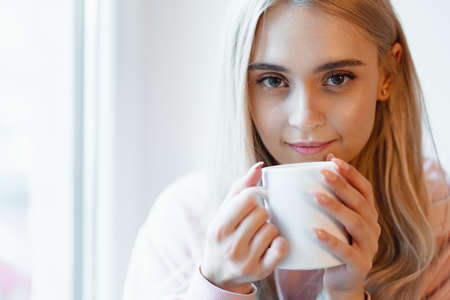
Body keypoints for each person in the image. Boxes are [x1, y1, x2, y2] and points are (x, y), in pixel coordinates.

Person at [122, 0, 449, 299]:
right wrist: (218, 287)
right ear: (241, 86)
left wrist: (347, 294)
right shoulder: (185, 222)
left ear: (387, 76)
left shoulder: (433, 216)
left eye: (337, 78)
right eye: (273, 80)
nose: (304, 118)